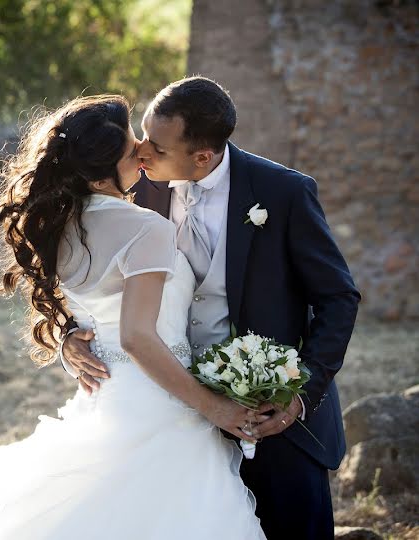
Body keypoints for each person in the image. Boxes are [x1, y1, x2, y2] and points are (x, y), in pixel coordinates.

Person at [0, 94, 266, 539]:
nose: (142, 153)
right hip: (165, 409)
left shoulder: (58, 228)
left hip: (109, 398)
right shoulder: (146, 229)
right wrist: (212, 406)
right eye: (130, 150)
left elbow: (88, 313)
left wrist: (68, 341)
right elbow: (137, 338)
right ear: (102, 168)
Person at [61, 77, 360, 540]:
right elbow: (89, 273)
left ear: (202, 155)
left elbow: (338, 298)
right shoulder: (134, 187)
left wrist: (301, 394)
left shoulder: (283, 192)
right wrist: (69, 338)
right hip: (173, 415)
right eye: (141, 136)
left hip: (273, 415)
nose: (140, 152)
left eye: (156, 148)